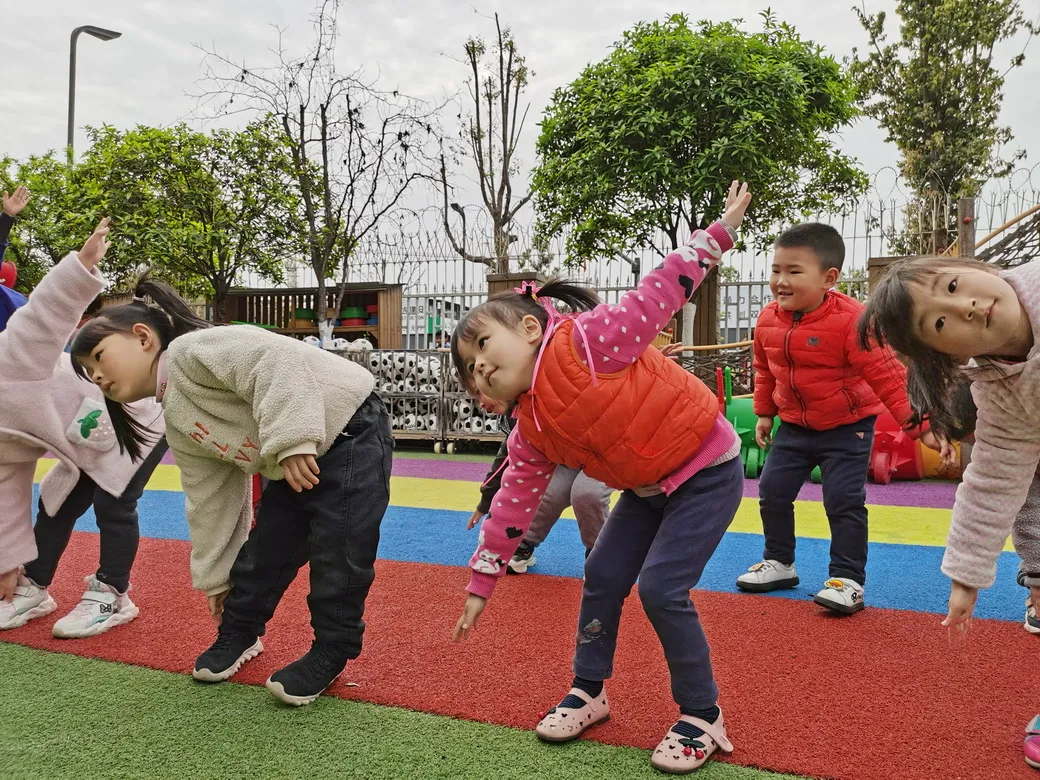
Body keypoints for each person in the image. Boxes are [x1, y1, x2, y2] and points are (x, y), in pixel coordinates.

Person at [449, 181, 752, 774]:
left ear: (531, 329)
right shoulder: (529, 429)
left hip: (706, 468)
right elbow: (514, 506)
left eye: (483, 344)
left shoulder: (589, 343)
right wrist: (482, 580)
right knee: (603, 576)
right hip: (645, 486)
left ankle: (701, 715)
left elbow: (659, 292)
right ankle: (590, 690)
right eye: (470, 369)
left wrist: (717, 234)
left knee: (662, 589)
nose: (479, 365)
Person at [70, 251, 393, 707]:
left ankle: (331, 649)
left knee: (340, 552)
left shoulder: (190, 351)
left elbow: (275, 361)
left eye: (99, 356)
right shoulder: (176, 416)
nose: (97, 375)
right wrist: (216, 577)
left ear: (142, 337)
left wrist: (294, 438)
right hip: (293, 459)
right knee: (265, 553)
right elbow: (210, 496)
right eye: (89, 372)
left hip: (349, 432)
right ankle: (238, 632)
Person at [858, 253, 1040, 771]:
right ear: (945, 357)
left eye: (956, 284)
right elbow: (992, 477)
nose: (966, 307)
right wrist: (966, 575)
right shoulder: (1000, 391)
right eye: (940, 322)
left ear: (975, 267)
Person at [736, 223, 939, 614]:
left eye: (794, 272)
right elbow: (765, 369)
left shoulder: (853, 320)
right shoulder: (768, 320)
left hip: (848, 428)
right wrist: (764, 413)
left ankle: (847, 579)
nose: (781, 280)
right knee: (772, 492)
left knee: (843, 500)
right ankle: (780, 562)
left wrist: (922, 427)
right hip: (794, 426)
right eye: (776, 269)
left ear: (829, 278)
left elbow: (889, 376)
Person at [0, 217, 167, 638]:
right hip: (83, 439)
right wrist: (5, 565)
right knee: (54, 505)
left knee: (115, 502)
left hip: (134, 410)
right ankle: (34, 586)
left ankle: (113, 592)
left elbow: (41, 316)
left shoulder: (9, 360)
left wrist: (80, 265)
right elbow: (5, 490)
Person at [468, 393, 610, 573]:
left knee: (586, 493)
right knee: (551, 492)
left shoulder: (538, 398)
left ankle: (600, 554)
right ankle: (525, 543)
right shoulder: (521, 412)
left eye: (483, 394)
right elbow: (507, 457)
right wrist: (485, 500)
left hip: (604, 452)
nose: (480, 404)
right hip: (570, 456)